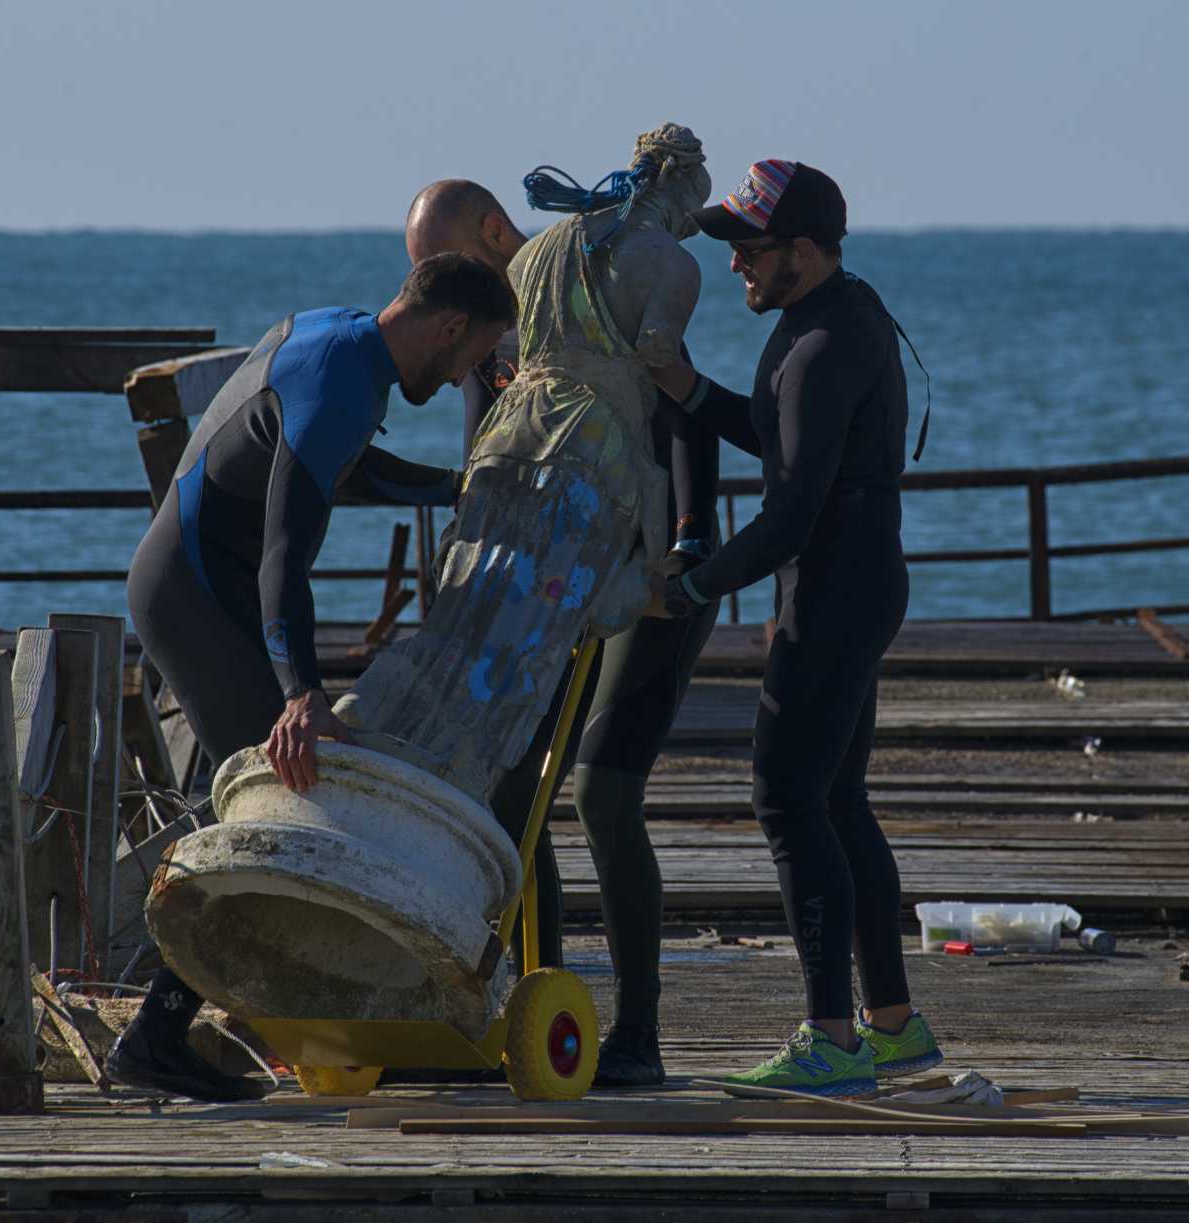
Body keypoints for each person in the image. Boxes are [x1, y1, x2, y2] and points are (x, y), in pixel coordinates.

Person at [109, 252, 517, 1099]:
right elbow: (284, 557)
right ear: (447, 328)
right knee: (285, 804)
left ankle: (303, 1024)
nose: (458, 383)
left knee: (284, 799)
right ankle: (159, 1037)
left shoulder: (348, 340)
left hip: (206, 581)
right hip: (193, 591)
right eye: (470, 359)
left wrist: (456, 487)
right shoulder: (340, 383)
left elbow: (347, 469)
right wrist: (301, 693)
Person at [402, 163, 724, 1086]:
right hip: (548, 572)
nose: (439, 296)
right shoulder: (487, 333)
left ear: (496, 232)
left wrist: (690, 545)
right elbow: (484, 460)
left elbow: (684, 408)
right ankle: (520, 1002)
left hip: (652, 564)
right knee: (509, 787)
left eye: (445, 265)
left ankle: (641, 1032)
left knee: (599, 790)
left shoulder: (590, 273)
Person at [649, 160, 943, 1098]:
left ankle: (833, 1040)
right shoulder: (827, 319)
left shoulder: (823, 344)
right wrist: (691, 390)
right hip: (854, 580)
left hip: (834, 590)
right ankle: (893, 1028)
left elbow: (790, 512)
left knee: (785, 799)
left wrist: (694, 587)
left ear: (803, 252)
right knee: (837, 801)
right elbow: (784, 441)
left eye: (750, 246)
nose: (735, 261)